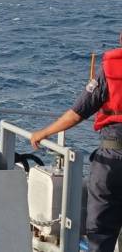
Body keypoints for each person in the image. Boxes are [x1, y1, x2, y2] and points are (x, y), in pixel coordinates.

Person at [30, 33, 122, 252]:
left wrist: (42, 133)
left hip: (111, 160)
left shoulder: (109, 71)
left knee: (101, 229)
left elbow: (77, 113)